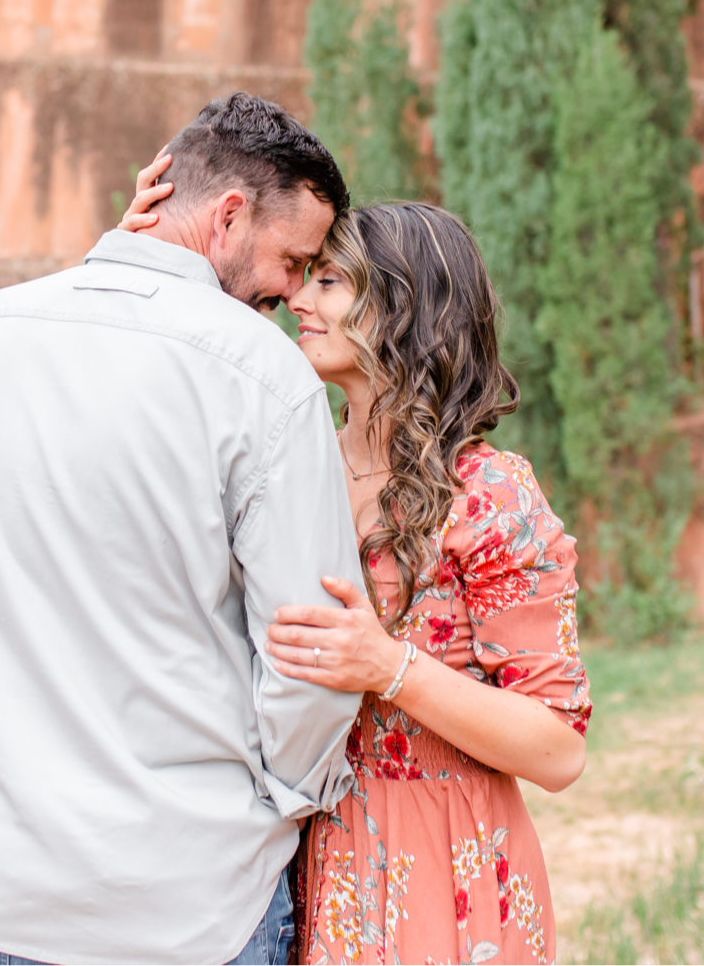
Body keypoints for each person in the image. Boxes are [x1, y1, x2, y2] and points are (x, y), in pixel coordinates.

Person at [0, 93, 367, 965]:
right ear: (229, 216)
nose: (291, 294)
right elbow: (310, 651)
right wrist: (278, 801)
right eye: (291, 261)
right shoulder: (265, 381)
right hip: (189, 907)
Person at [123, 179, 591, 964]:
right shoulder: (285, 467)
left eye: (330, 281)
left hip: (447, 870)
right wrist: (147, 253)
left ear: (405, 310)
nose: (299, 297)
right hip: (296, 860)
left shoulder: (488, 494)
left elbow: (558, 750)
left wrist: (389, 665)